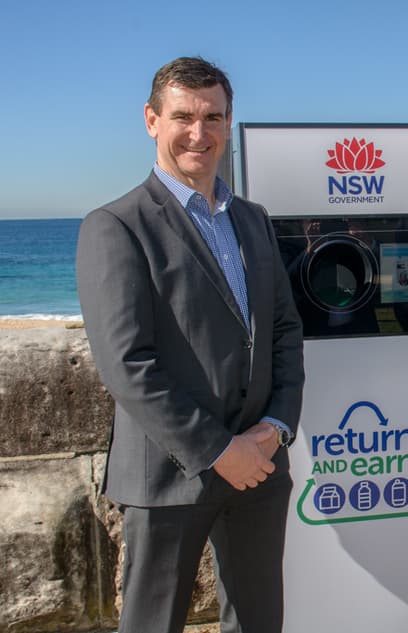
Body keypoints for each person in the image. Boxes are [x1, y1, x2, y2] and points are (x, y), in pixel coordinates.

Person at [76, 56, 304, 633]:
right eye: (183, 116)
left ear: (229, 123)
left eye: (213, 117)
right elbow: (128, 364)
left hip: (259, 466)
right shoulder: (117, 225)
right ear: (152, 120)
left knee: (258, 623)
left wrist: (274, 428)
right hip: (169, 474)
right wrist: (217, 449)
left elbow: (283, 331)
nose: (199, 133)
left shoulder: (253, 219)